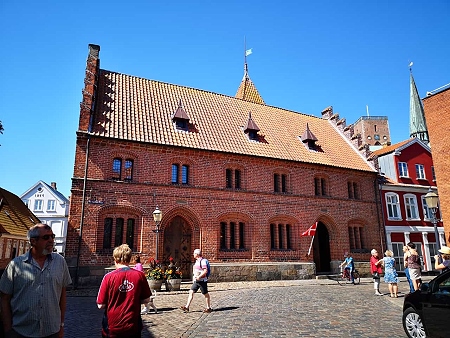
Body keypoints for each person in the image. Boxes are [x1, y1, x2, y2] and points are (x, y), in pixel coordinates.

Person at [0, 223, 72, 338]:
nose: (51, 240)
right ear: (33, 241)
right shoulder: (16, 265)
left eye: (52, 236)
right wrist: (8, 328)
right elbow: (4, 298)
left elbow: (62, 294)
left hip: (51, 331)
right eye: (46, 237)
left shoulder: (60, 262)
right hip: (21, 331)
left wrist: (61, 325)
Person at [97, 244, 151, 338]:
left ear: (115, 259)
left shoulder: (108, 277)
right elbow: (146, 299)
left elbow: (101, 305)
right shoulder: (140, 276)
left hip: (112, 325)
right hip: (133, 325)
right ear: (130, 258)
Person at [180, 249, 212, 313]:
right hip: (197, 281)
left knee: (205, 294)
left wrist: (199, 277)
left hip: (202, 281)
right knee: (191, 292)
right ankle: (187, 307)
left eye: (194, 253)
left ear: (197, 254)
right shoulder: (197, 261)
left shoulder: (203, 261)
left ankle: (208, 308)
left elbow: (205, 271)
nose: (193, 254)